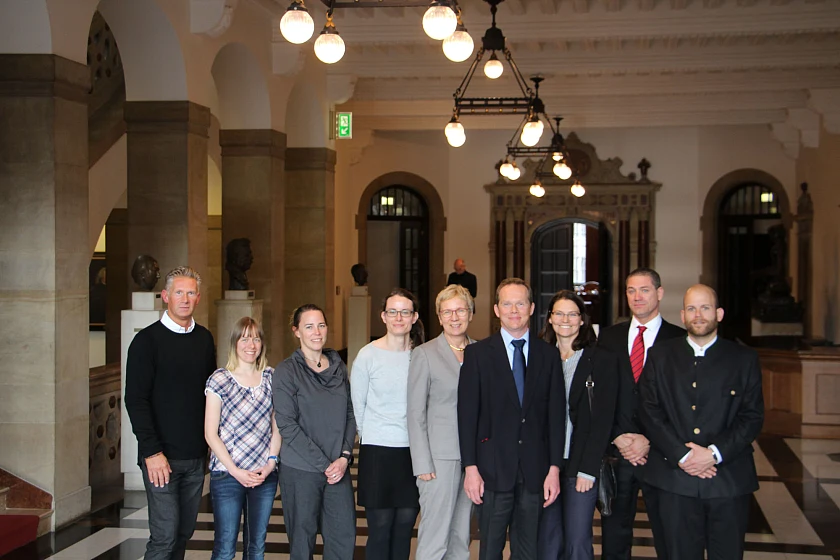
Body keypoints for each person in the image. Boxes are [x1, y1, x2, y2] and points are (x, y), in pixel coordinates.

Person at [639, 284, 764, 560]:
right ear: (683, 316)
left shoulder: (744, 359)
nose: (698, 315)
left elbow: (751, 416)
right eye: (692, 309)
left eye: (705, 307)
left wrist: (713, 454)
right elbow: (649, 411)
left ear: (719, 313)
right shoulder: (660, 356)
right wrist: (683, 455)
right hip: (673, 479)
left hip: (728, 480)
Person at [457, 278, 565, 560]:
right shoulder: (477, 354)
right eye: (507, 303)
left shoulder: (548, 355)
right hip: (490, 471)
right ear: (496, 309)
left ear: (531, 308)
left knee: (528, 551)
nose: (513, 310)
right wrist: (470, 468)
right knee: (490, 549)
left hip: (535, 472)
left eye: (520, 303)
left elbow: (555, 417)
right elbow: (467, 415)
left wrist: (554, 469)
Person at [125, 266, 217, 560]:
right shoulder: (146, 342)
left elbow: (210, 395)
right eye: (179, 292)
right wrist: (151, 453)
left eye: (191, 293)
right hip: (160, 458)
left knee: (182, 534)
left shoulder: (204, 339)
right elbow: (135, 400)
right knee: (164, 537)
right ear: (166, 296)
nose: (185, 298)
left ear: (198, 298)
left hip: (194, 457)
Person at [596, 267, 684, 560]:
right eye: (631, 290)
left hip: (661, 453)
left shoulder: (679, 340)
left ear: (659, 293)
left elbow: (683, 402)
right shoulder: (608, 338)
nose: (637, 296)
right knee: (614, 532)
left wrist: (649, 438)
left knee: (669, 532)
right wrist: (618, 436)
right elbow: (599, 395)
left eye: (644, 290)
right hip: (618, 453)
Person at [537, 291, 620, 560]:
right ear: (549, 319)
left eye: (572, 314)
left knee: (577, 540)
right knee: (548, 541)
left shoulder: (601, 359)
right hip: (545, 464)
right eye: (559, 313)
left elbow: (603, 419)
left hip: (580, 463)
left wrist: (588, 469)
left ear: (582, 320)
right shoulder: (538, 356)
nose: (565, 320)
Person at [273, 304, 357, 560]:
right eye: (309, 326)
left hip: (337, 468)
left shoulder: (338, 365)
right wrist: (325, 464)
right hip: (301, 471)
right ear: (296, 331)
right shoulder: (286, 371)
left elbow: (350, 414)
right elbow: (287, 425)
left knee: (343, 538)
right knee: (302, 541)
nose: (316, 332)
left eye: (321, 325)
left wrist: (344, 457)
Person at [351, 288, 425, 560]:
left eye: (405, 312)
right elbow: (358, 406)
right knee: (380, 528)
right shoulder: (367, 356)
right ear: (383, 316)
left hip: (412, 451)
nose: (398, 317)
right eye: (392, 311)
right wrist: (371, 434)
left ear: (414, 317)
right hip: (378, 452)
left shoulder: (421, 355)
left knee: (405, 526)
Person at [407, 285, 476, 560]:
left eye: (460, 310)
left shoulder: (481, 352)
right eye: (447, 311)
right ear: (439, 316)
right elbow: (415, 412)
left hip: (473, 459)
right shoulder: (424, 353)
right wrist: (422, 463)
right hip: (438, 460)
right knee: (435, 536)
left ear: (470, 313)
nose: (454, 316)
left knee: (461, 536)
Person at [204, 317, 280, 560]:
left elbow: (277, 427)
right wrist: (236, 471)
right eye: (245, 338)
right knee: (225, 547)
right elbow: (210, 433)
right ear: (235, 342)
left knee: (256, 547)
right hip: (227, 474)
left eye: (256, 338)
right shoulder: (220, 379)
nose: (251, 344)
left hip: (263, 475)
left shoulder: (271, 377)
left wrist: (270, 464)